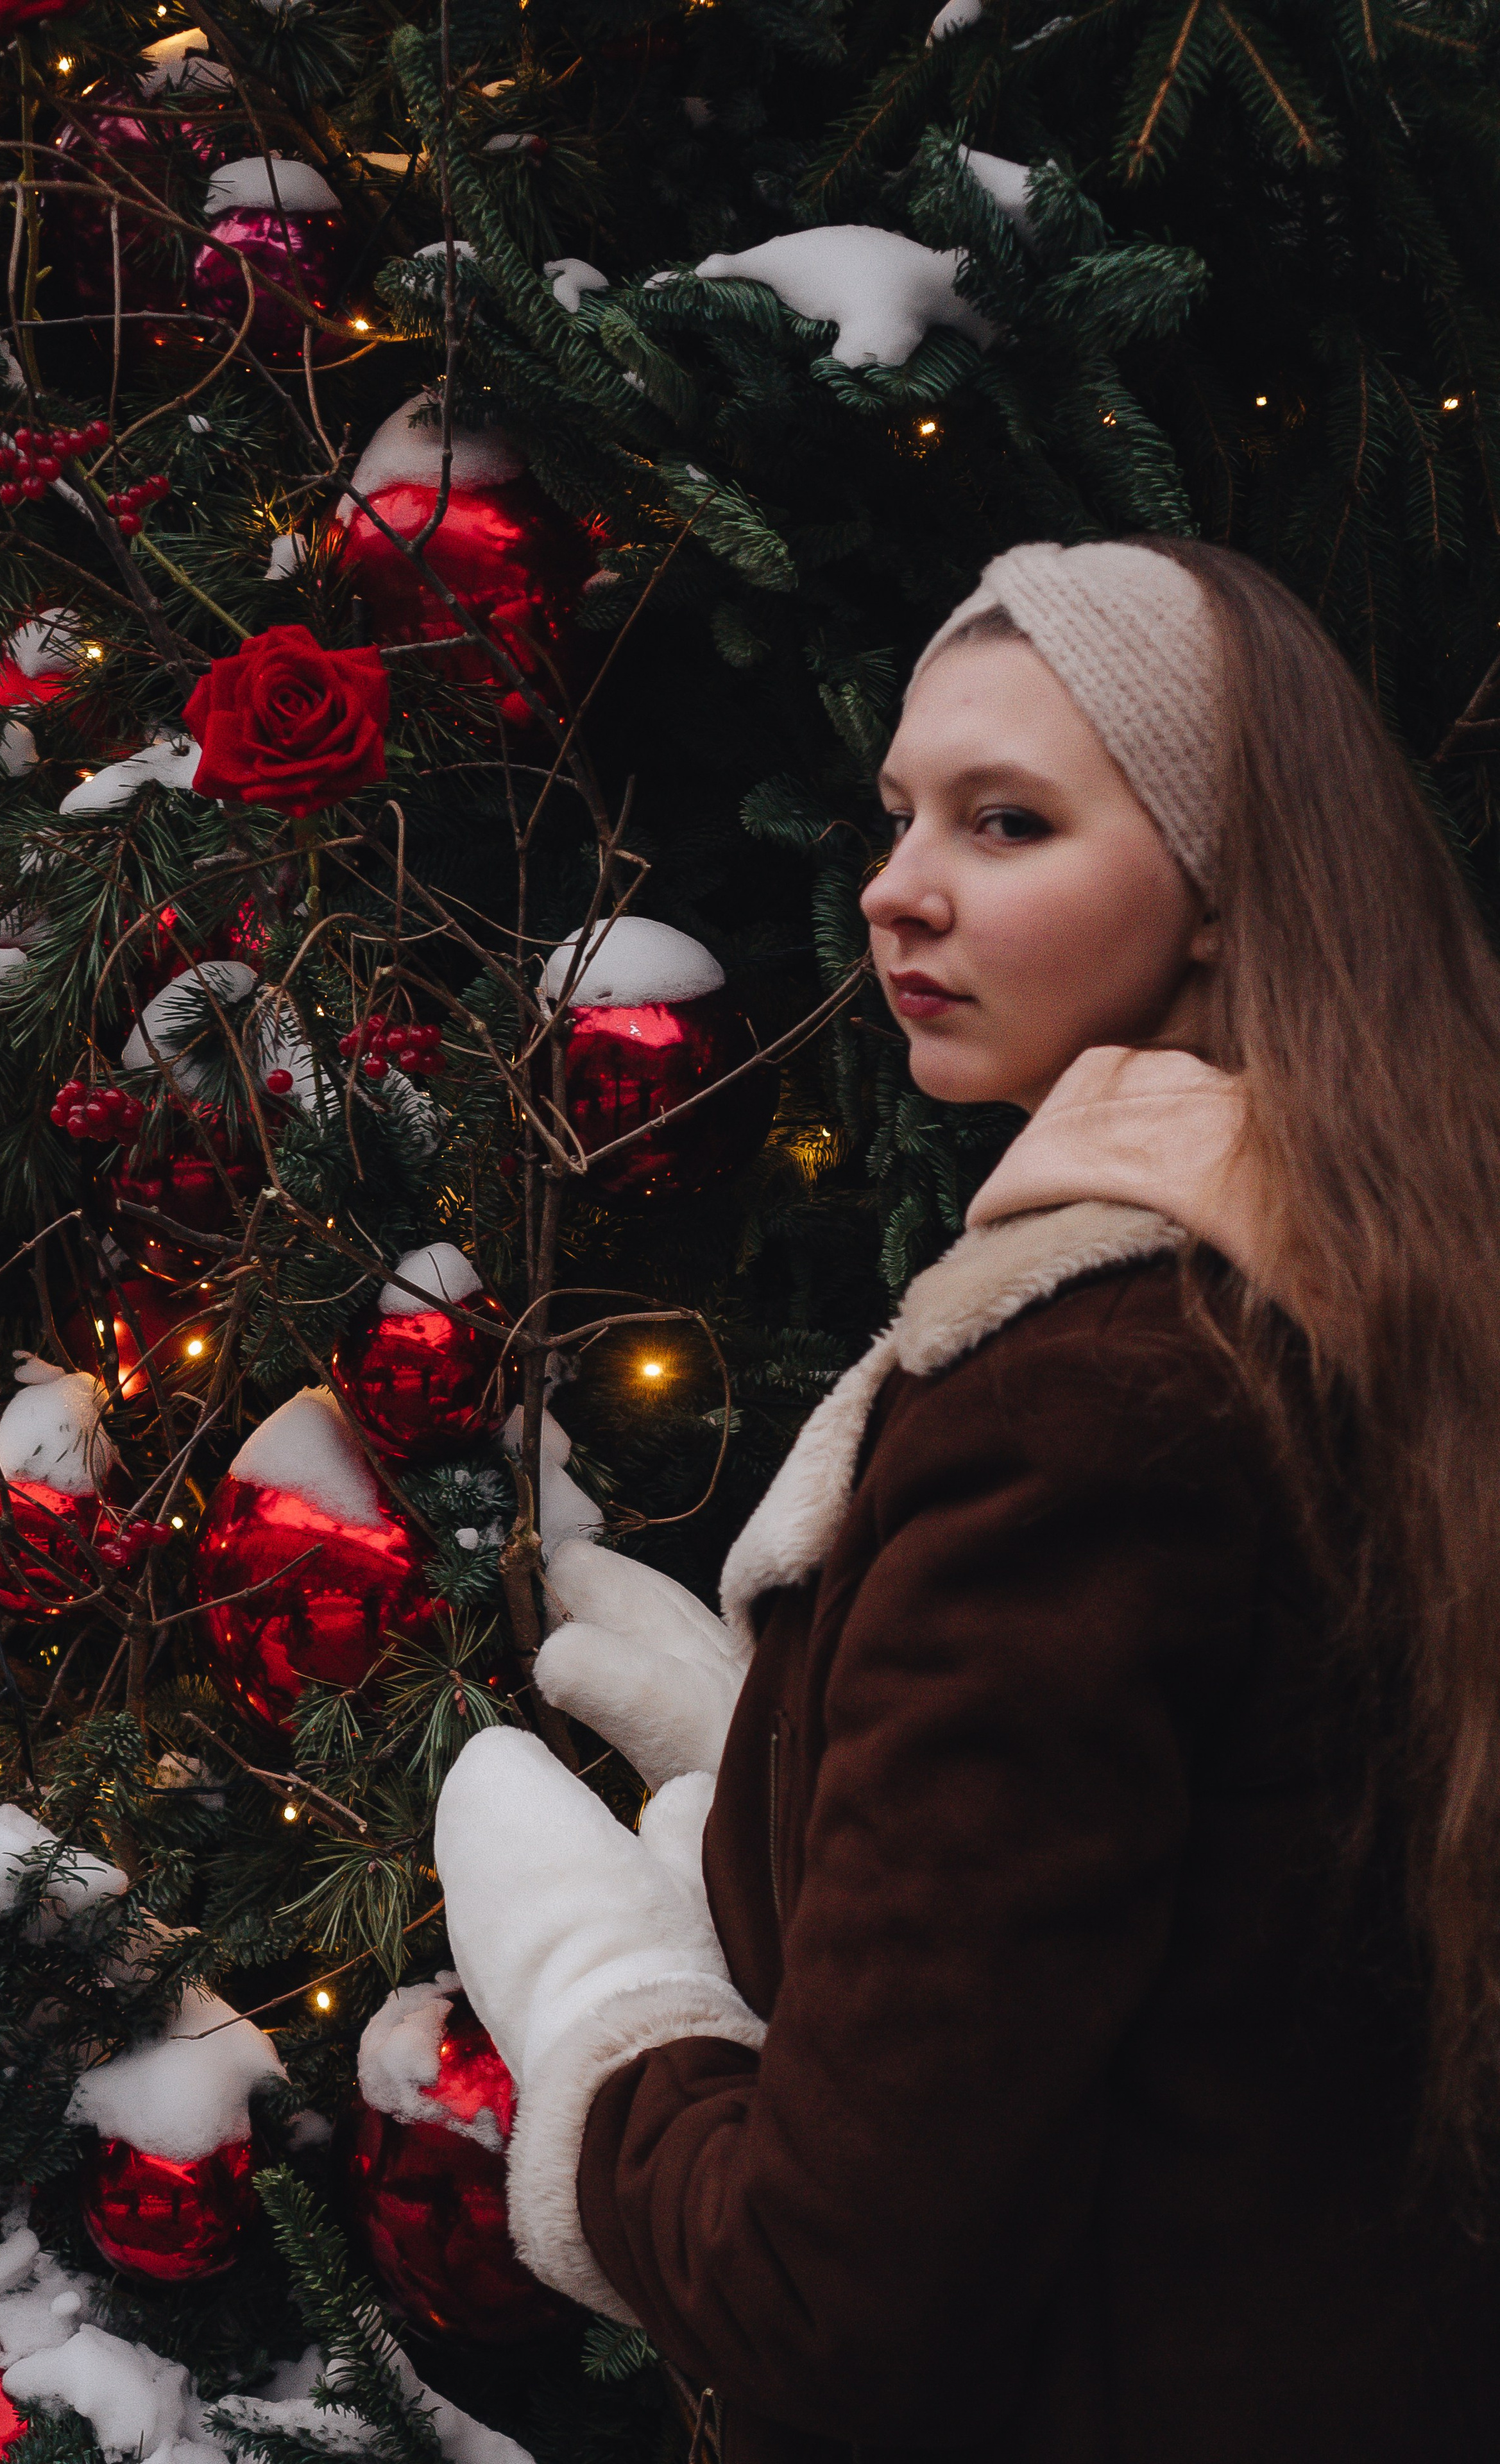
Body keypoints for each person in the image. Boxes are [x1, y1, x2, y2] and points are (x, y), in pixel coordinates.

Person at [434, 539, 1500, 2462]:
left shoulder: (1096, 1402)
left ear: (1224, 887)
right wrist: (789, 1746)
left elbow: (828, 2306)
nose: (896, 888)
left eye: (1007, 823)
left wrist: (601, 2000)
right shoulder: (1371, 1292)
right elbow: (1239, 1943)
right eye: (898, 811)